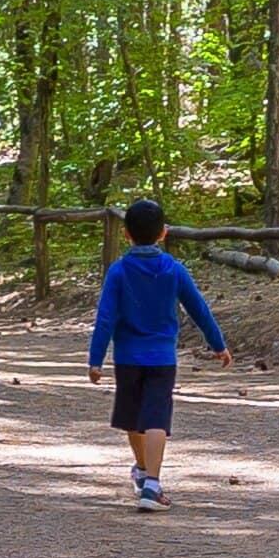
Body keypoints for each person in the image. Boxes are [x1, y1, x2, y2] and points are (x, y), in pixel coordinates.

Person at [84, 196, 230, 506]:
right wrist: (218, 345)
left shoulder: (119, 271)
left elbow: (105, 317)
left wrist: (95, 360)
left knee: (133, 418)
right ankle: (149, 478)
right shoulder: (174, 270)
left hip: (127, 358)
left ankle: (146, 475)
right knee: (156, 420)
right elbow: (198, 309)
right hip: (163, 359)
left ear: (126, 234)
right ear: (163, 232)